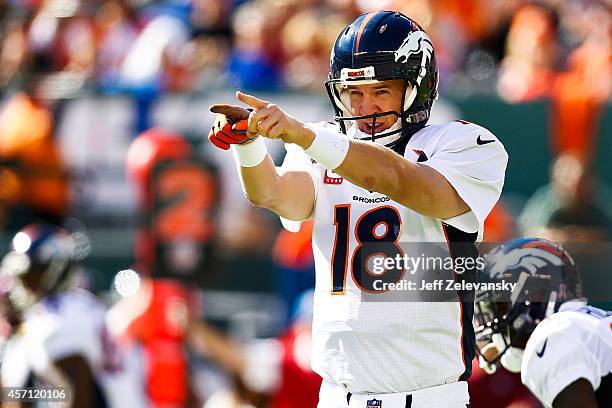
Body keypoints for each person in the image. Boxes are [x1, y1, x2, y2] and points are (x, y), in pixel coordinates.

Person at [208, 10, 508, 408]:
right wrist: (247, 145)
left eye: (381, 91)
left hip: (429, 397)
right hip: (336, 396)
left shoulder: (462, 144)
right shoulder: (323, 143)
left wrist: (304, 135)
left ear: (417, 89)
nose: (365, 108)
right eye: (355, 92)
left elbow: (397, 180)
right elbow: (277, 196)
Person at [0, 223, 146, 407]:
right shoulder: (78, 306)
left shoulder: (58, 318)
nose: (23, 286)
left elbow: (77, 395)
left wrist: (18, 395)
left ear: (54, 271)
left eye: (30, 275)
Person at [474, 237, 612, 408]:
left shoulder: (556, 334)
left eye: (500, 307)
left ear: (536, 295)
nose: (494, 324)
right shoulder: (583, 325)